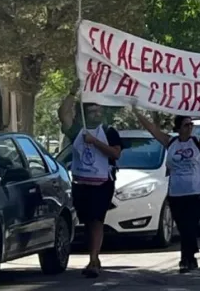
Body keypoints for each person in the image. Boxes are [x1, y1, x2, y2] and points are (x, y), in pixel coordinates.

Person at [136, 112, 200, 273]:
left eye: (191, 125)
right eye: (186, 125)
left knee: (190, 225)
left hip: (195, 191)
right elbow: (152, 129)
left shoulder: (196, 142)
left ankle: (185, 259)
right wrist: (137, 113)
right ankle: (190, 255)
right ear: (178, 128)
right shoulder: (171, 142)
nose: (190, 128)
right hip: (176, 192)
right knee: (182, 225)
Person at [68, 102, 121, 278]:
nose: (97, 114)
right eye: (92, 111)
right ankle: (94, 258)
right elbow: (62, 114)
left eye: (99, 110)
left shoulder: (108, 131)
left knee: (97, 219)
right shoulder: (77, 130)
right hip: (81, 183)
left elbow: (115, 153)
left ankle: (93, 260)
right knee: (88, 221)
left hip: (102, 183)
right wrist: (72, 94)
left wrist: (95, 142)